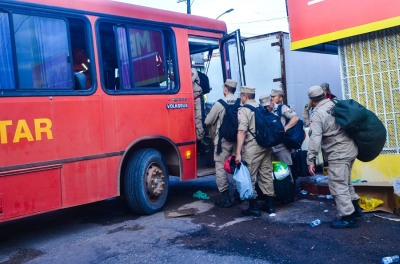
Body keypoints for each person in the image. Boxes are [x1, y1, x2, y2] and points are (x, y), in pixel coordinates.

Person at [306, 85, 363, 229]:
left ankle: (348, 217)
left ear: (312, 100)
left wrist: (310, 160)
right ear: (324, 95)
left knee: (338, 184)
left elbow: (314, 139)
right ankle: (356, 209)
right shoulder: (334, 104)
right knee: (346, 181)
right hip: (350, 148)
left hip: (338, 152)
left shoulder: (318, 114)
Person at [235, 86, 276, 217]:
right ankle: (270, 206)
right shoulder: (260, 107)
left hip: (252, 148)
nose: (241, 98)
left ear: (245, 96)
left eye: (241, 95)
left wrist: (238, 153)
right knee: (266, 175)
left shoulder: (244, 110)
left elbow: (242, 131)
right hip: (265, 146)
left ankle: (254, 208)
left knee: (250, 177)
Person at [204, 79, 240, 207]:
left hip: (223, 141)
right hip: (237, 140)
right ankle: (237, 194)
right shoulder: (240, 102)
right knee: (237, 165)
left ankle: (225, 197)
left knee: (220, 167)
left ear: (225, 88)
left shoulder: (219, 104)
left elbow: (208, 121)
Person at [270, 89, 299, 168]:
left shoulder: (282, 108)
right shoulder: (269, 108)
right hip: (271, 146)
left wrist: (285, 128)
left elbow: (295, 118)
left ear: (280, 98)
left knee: (285, 170)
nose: (272, 98)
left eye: (274, 96)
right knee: (274, 171)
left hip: (282, 146)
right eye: (271, 97)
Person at [192, 68, 204, 142]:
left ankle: (200, 140)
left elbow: (189, 80)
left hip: (196, 99)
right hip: (191, 99)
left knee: (198, 120)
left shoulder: (193, 70)